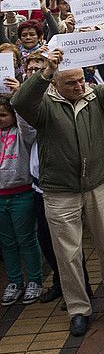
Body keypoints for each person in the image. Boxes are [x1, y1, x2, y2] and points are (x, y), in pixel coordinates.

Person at [11, 40, 104, 337]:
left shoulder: (95, 97)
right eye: (71, 82)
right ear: (55, 83)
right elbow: (20, 102)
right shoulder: (43, 105)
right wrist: (44, 72)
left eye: (82, 79)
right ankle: (79, 308)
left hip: (98, 184)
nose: (80, 85)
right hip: (59, 190)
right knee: (68, 254)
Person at [0, 95, 42, 305]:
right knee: (7, 242)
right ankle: (14, 281)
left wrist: (18, 104)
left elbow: (28, 127)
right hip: (1, 197)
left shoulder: (22, 134)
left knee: (26, 239)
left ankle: (35, 279)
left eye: (3, 115)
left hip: (22, 194)